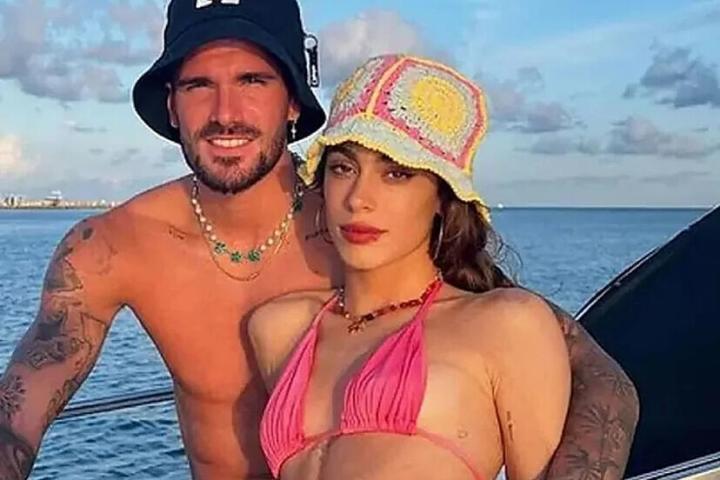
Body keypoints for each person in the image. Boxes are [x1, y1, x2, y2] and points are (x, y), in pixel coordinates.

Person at [0, 1, 638, 479]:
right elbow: (18, 417)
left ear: (294, 103)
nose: (226, 112)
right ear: (171, 105)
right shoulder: (112, 247)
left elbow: (597, 378)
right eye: (198, 85)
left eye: (253, 81)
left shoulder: (367, 226)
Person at [249, 54, 568, 479]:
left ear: (442, 198)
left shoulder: (507, 324)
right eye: (343, 168)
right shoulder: (278, 328)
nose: (358, 199)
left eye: (396, 174)